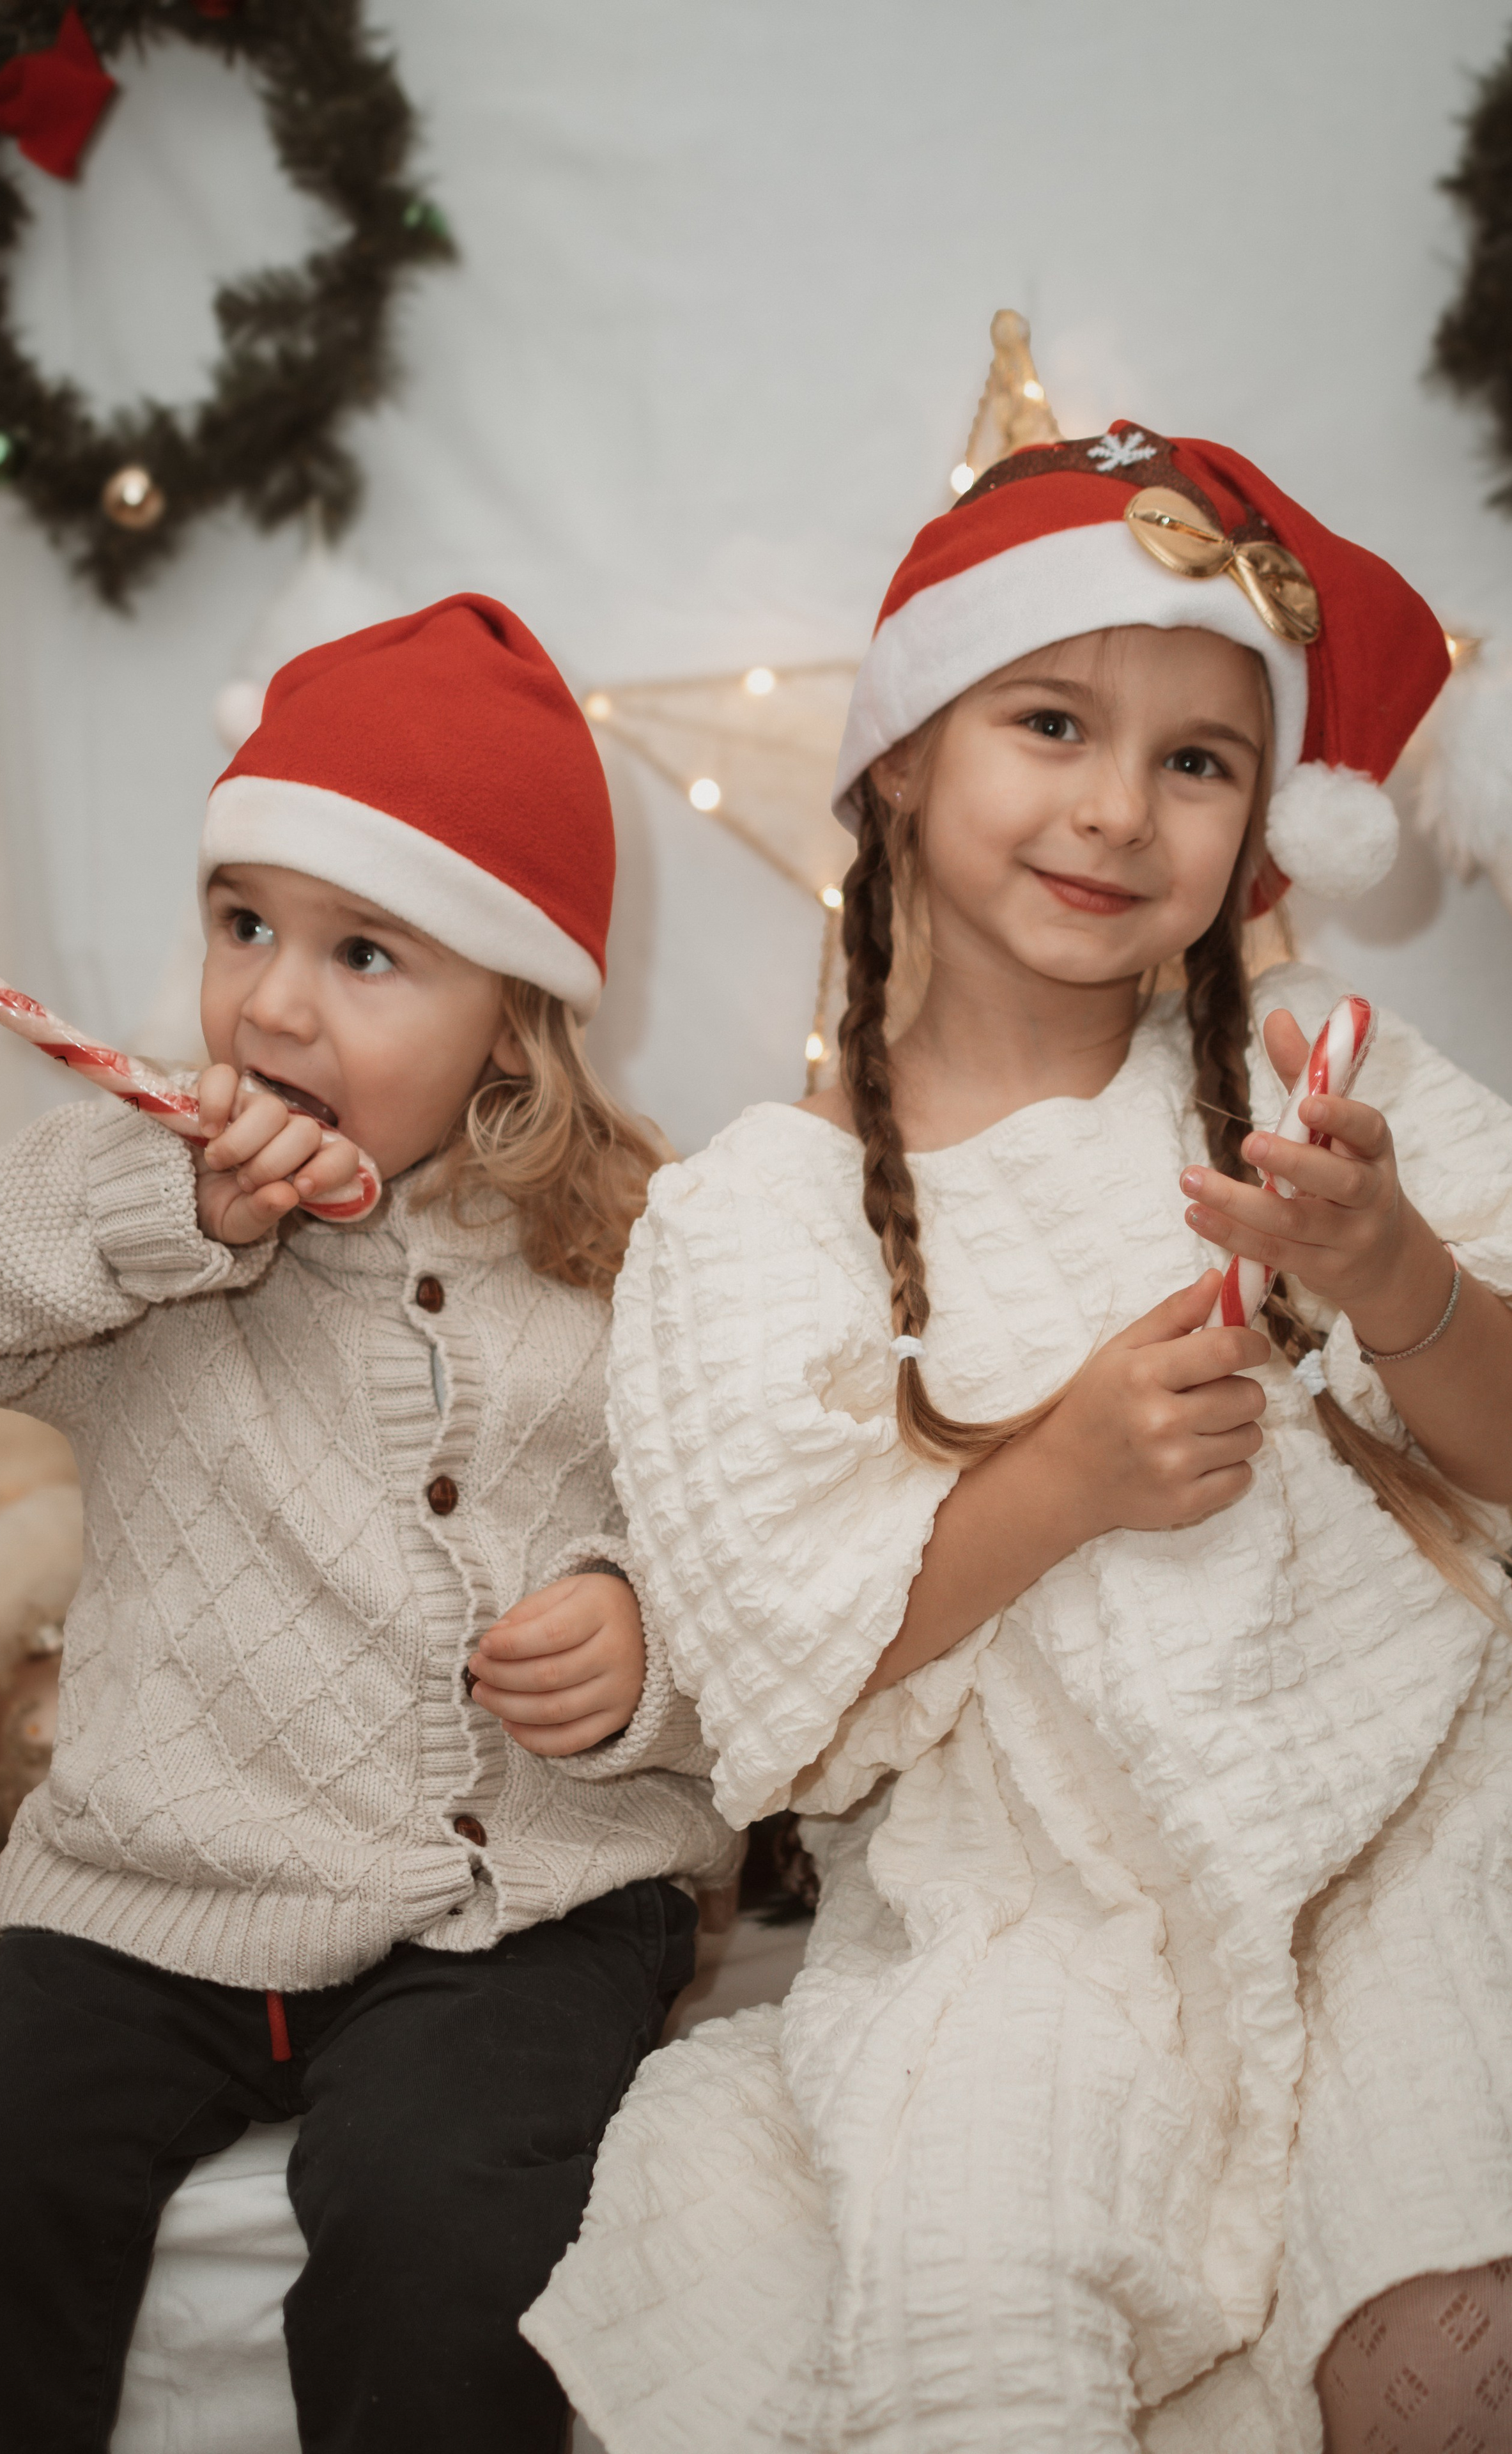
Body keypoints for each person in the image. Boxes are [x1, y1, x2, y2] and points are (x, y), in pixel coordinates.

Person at [524, 431, 1512, 2451]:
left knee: (1437, 2353)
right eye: (1050, 722)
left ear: (1259, 827)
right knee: (982, 2316)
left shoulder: (1331, 1085)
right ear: (898, 754)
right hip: (1035, 1903)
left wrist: (1394, 1273)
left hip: (1429, 1828)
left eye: (1198, 762)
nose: (1115, 809)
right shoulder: (762, 1212)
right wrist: (1059, 1483)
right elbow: (773, 1679)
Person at [0, 596, 736, 2454]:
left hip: (515, 1910)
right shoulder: (149, 1219)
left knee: (448, 2244)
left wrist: (646, 1651)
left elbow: (762, 1568)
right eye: (243, 921)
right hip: (150, 1908)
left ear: (513, 1025)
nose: (271, 996)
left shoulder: (641, 1263)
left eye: (366, 954)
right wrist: (151, 1210)